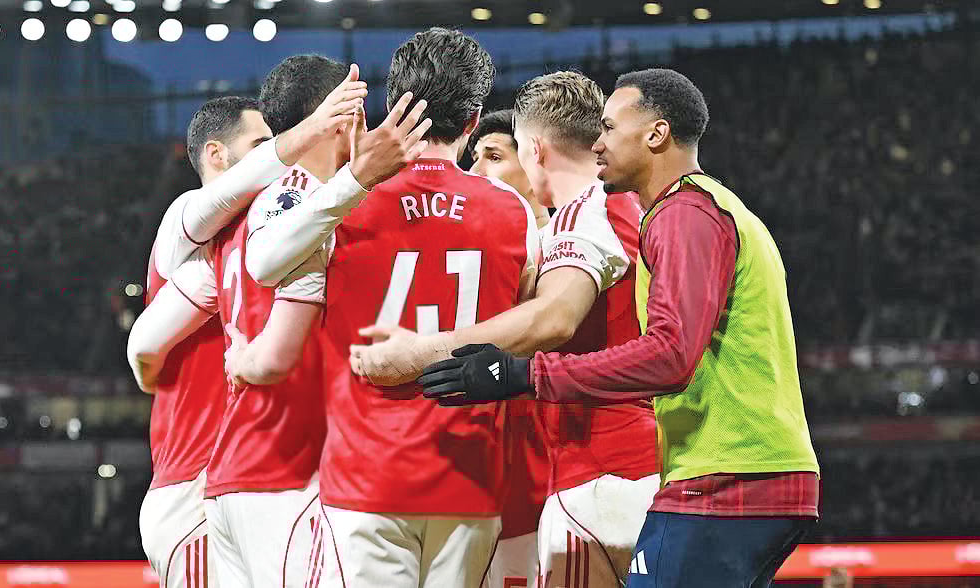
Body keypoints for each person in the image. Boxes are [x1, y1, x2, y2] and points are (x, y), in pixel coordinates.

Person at [415, 68, 821, 588]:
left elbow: (668, 354)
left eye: (608, 128)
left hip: (713, 476)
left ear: (656, 134)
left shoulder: (678, 215)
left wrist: (520, 373)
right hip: (727, 471)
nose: (597, 143)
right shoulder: (697, 211)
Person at [225, 28, 540, 588]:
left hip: (365, 479)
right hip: (470, 476)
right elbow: (526, 324)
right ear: (472, 123)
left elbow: (264, 264)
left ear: (393, 106)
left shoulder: (343, 205)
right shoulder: (515, 213)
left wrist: (352, 178)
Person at [128, 56, 430, 587]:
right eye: (261, 146)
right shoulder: (190, 221)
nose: (275, 156)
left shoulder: (251, 228)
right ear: (216, 156)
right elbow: (142, 344)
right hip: (200, 478)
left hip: (235, 473)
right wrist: (164, 378)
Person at [351, 71, 660, 588]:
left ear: (533, 149)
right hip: (627, 466)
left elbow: (553, 319)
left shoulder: (587, 213)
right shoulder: (626, 209)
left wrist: (421, 353)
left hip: (599, 472)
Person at [466, 108, 551, 588]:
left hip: (544, 464)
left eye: (493, 157)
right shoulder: (471, 251)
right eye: (474, 156)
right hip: (477, 464)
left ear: (535, 160)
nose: (475, 170)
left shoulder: (570, 247)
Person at [468, 109, 551, 230]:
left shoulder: (567, 239)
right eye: (476, 159)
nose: (473, 171)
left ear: (536, 169)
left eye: (494, 158)